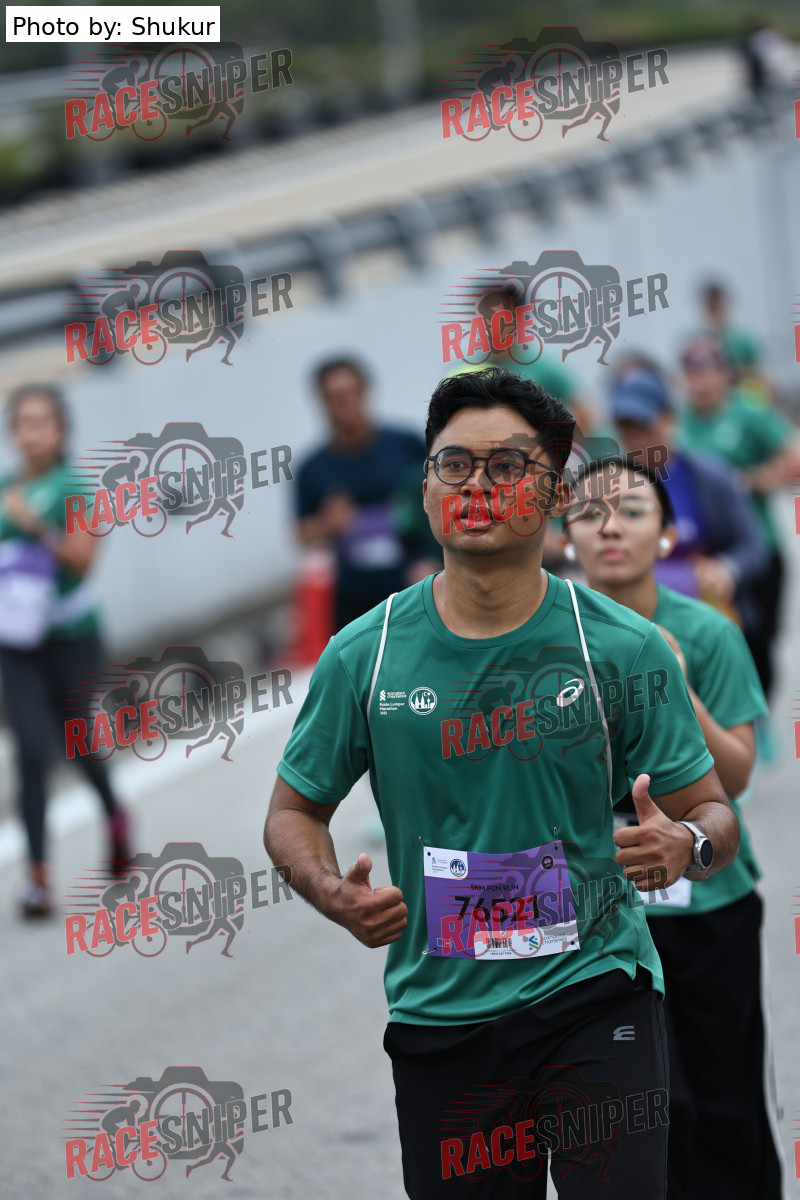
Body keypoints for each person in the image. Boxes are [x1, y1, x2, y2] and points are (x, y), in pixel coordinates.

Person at [264, 366, 739, 1198]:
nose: (477, 485)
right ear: (425, 489)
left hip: (596, 990)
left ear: (555, 496)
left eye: (509, 465)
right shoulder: (363, 655)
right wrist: (329, 891)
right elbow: (293, 811)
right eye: (455, 464)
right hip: (442, 1015)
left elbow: (712, 810)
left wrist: (689, 843)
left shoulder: (620, 648)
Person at [562, 453, 784, 1200]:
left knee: (724, 1108)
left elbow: (736, 778)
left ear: (666, 536)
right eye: (589, 513)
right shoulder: (545, 646)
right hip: (598, 917)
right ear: (564, 537)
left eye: (632, 511)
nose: (610, 528)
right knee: (646, 1115)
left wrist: (675, 684)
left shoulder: (707, 633)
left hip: (708, 907)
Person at [0, 384, 130, 917]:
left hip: (72, 637)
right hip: (17, 643)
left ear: (60, 431)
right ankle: (38, 877)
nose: (31, 433)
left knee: (77, 742)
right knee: (31, 751)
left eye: (42, 422)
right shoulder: (4, 487)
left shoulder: (74, 488)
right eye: (22, 423)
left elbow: (82, 560)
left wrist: (34, 526)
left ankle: (115, 816)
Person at [679, 336, 800, 699]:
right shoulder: (678, 421)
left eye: (709, 371)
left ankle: (760, 711)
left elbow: (793, 456)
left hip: (757, 542)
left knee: (762, 635)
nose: (701, 381)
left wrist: (752, 481)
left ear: (725, 374)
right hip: (704, 552)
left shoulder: (747, 413)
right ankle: (729, 711)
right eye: (693, 372)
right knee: (717, 637)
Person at [608, 360, 768, 632]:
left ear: (669, 418)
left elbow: (753, 546)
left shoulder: (711, 477)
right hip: (637, 622)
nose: (634, 438)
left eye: (643, 426)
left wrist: (726, 568)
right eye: (626, 428)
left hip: (708, 614)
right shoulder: (606, 486)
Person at [296, 357, 435, 631]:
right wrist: (327, 524)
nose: (344, 403)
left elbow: (445, 493)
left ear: (365, 392)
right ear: (321, 402)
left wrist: (436, 559)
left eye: (349, 393)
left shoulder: (406, 445)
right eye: (334, 397)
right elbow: (300, 533)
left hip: (417, 581)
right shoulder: (312, 469)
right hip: (355, 600)